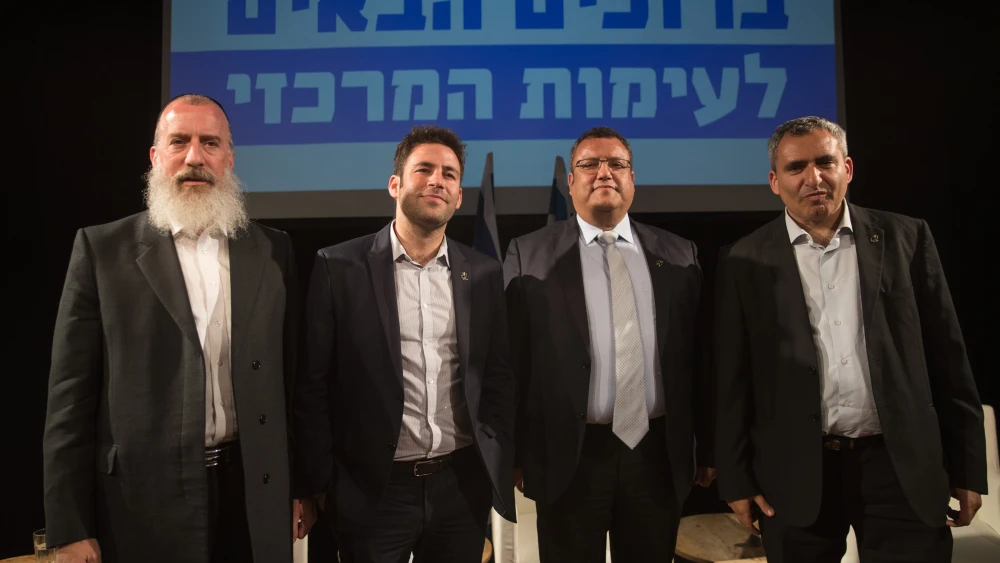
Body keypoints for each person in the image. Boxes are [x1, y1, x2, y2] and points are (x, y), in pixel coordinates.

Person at [714, 115, 987, 562]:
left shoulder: (907, 238)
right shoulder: (742, 259)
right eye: (796, 168)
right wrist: (736, 478)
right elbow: (731, 379)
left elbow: (949, 359)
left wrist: (968, 465)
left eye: (825, 162)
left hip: (899, 468)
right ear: (774, 181)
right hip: (795, 471)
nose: (813, 178)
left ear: (848, 168)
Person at [43, 94, 298, 563]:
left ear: (229, 159)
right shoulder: (101, 251)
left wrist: (300, 487)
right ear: (156, 157)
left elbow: (291, 381)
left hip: (252, 496)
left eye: (210, 143)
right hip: (141, 506)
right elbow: (69, 400)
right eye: (179, 142)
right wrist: (69, 526)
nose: (194, 157)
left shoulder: (272, 250)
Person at [292, 125, 515, 562]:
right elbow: (312, 384)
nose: (437, 180)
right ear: (395, 184)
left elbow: (498, 376)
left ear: (459, 196)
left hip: (460, 485)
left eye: (449, 174)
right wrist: (319, 482)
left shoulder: (484, 273)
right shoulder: (338, 266)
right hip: (372, 491)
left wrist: (498, 456)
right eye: (424, 169)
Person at [502, 126, 715, 561]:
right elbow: (511, 364)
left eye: (616, 164)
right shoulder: (528, 254)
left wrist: (708, 448)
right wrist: (515, 454)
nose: (604, 173)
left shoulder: (680, 254)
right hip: (568, 457)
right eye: (589, 164)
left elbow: (701, 361)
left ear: (632, 179)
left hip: (656, 455)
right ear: (571, 182)